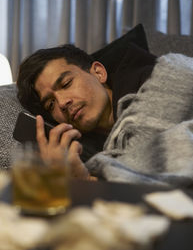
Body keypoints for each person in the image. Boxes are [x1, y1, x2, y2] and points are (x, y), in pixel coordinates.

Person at [16, 43, 156, 180]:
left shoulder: (156, 87)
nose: (62, 103)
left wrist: (86, 182)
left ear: (98, 73)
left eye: (66, 84)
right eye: (50, 104)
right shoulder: (79, 154)